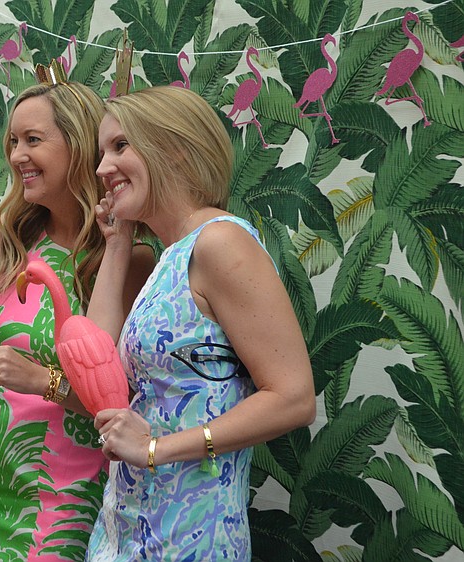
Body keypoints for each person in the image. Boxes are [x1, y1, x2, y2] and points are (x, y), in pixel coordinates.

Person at [0, 76, 155, 561]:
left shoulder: (125, 260)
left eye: (33, 140)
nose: (16, 155)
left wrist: (39, 379)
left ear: (78, 144)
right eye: (12, 141)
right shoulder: (11, 243)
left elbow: (123, 403)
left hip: (61, 495)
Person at [85, 86, 316, 561]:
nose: (102, 168)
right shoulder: (171, 256)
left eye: (120, 146)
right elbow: (94, 357)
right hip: (126, 528)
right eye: (101, 151)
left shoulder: (220, 244)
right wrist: (117, 243)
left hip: (192, 537)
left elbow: (293, 398)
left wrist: (156, 450)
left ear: (174, 148)